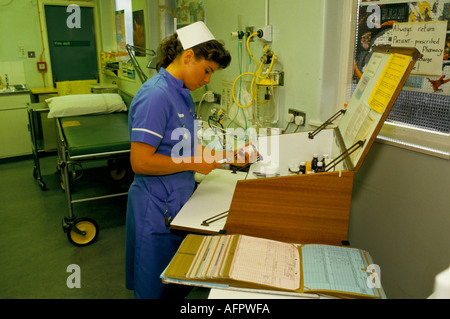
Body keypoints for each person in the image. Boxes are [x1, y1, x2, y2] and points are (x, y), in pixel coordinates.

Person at [125, 21, 232, 299]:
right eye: (207, 70)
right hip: (155, 206)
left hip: (175, 203)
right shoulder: (156, 96)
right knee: (153, 289)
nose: (208, 79)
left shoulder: (181, 94)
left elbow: (177, 147)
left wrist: (218, 155)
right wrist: (194, 163)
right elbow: (141, 162)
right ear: (187, 57)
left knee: (173, 286)